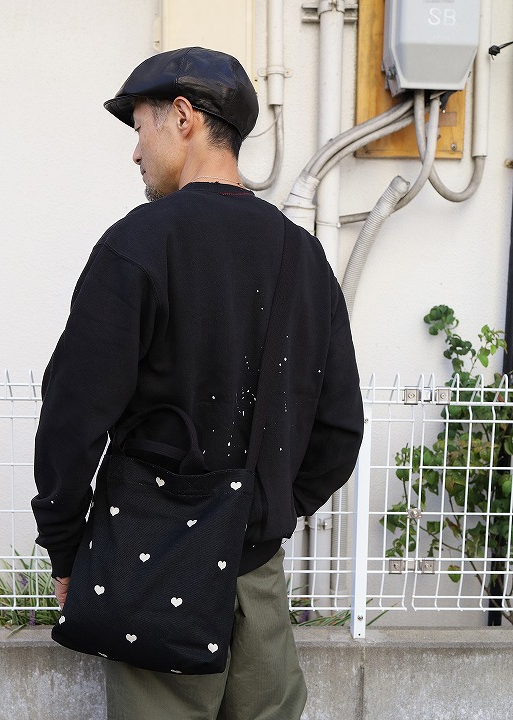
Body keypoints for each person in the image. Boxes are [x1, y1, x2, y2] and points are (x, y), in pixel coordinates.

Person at [32, 46, 364, 720]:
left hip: (155, 567)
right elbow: (339, 428)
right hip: (257, 581)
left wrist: (66, 547)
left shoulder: (138, 244)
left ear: (183, 117)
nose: (136, 152)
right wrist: (262, 513)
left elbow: (73, 415)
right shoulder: (304, 258)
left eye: (140, 128)